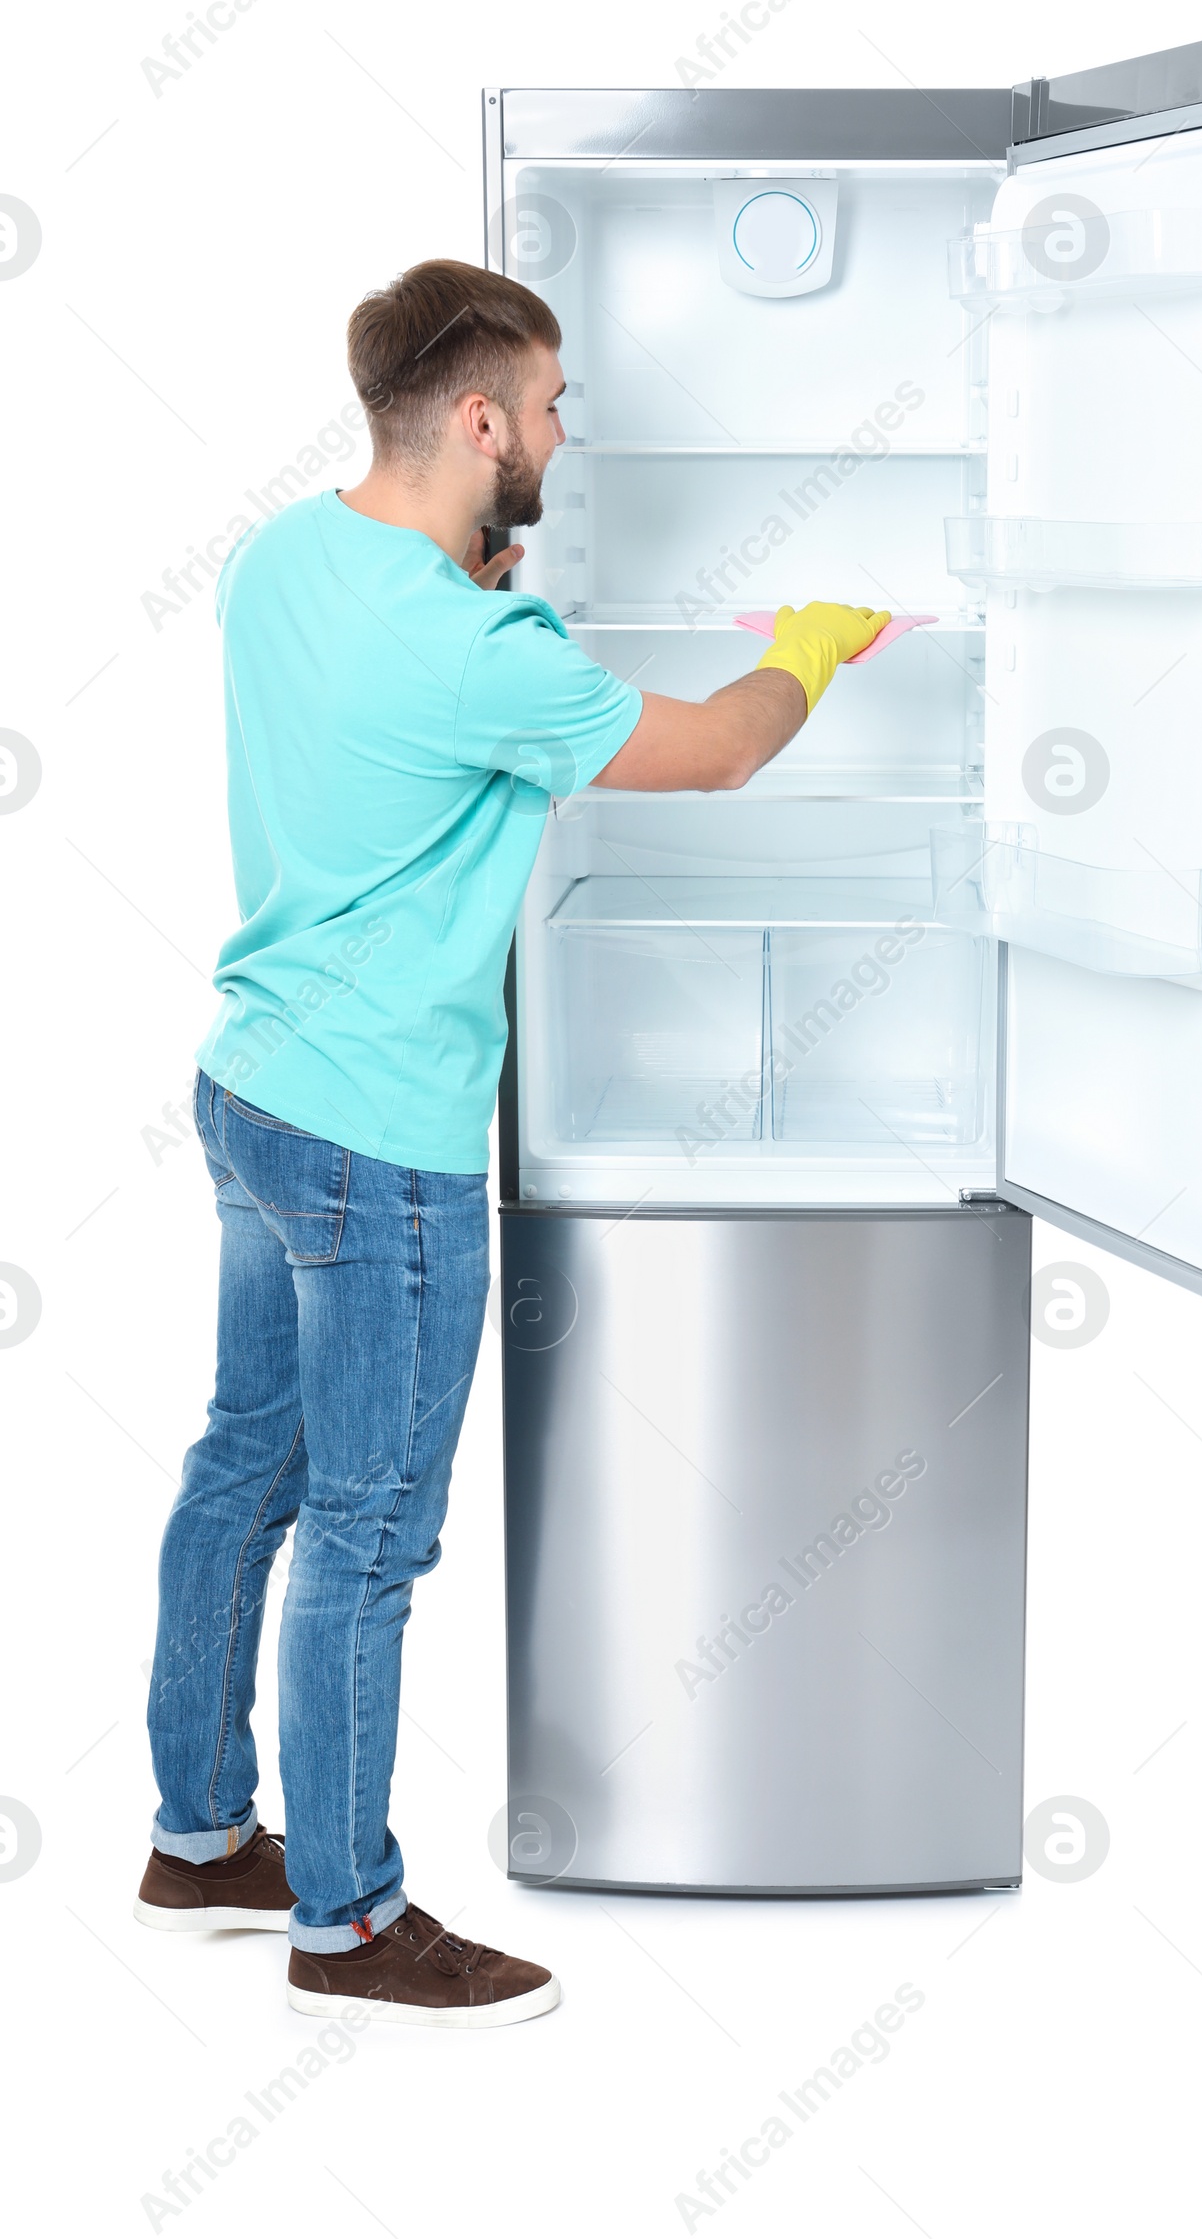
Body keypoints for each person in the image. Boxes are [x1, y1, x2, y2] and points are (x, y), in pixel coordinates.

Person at [136, 259, 889, 2029]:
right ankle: (350, 1926)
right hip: (383, 1146)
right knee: (371, 1538)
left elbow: (384, 705)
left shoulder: (286, 557)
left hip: (254, 1087)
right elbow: (710, 758)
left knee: (249, 1468)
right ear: (479, 422)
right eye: (550, 406)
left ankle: (198, 1841)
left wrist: (486, 587)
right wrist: (807, 653)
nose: (562, 430)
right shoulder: (486, 652)